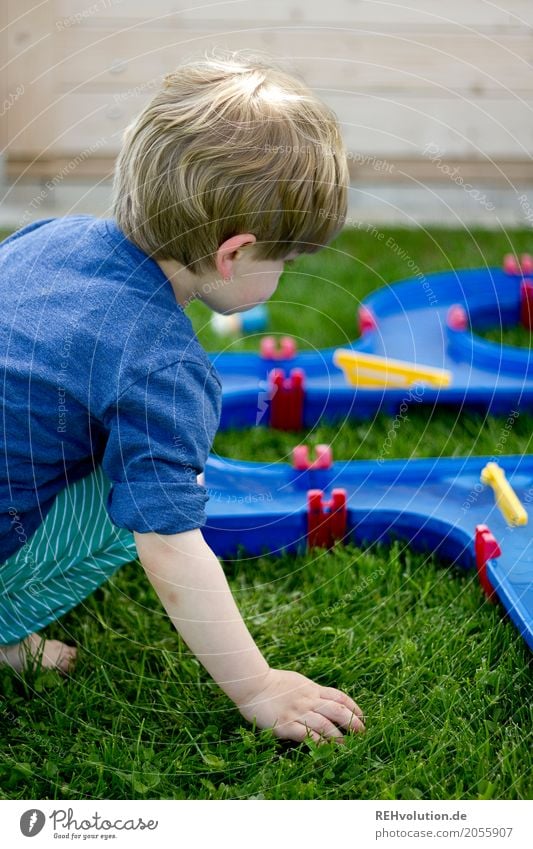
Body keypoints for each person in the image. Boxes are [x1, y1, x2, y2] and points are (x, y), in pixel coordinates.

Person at [0, 52, 365, 745]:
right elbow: (167, 541)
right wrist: (258, 684)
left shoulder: (52, 236)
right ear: (234, 254)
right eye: (282, 261)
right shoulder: (162, 364)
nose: (282, 275)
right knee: (162, 489)